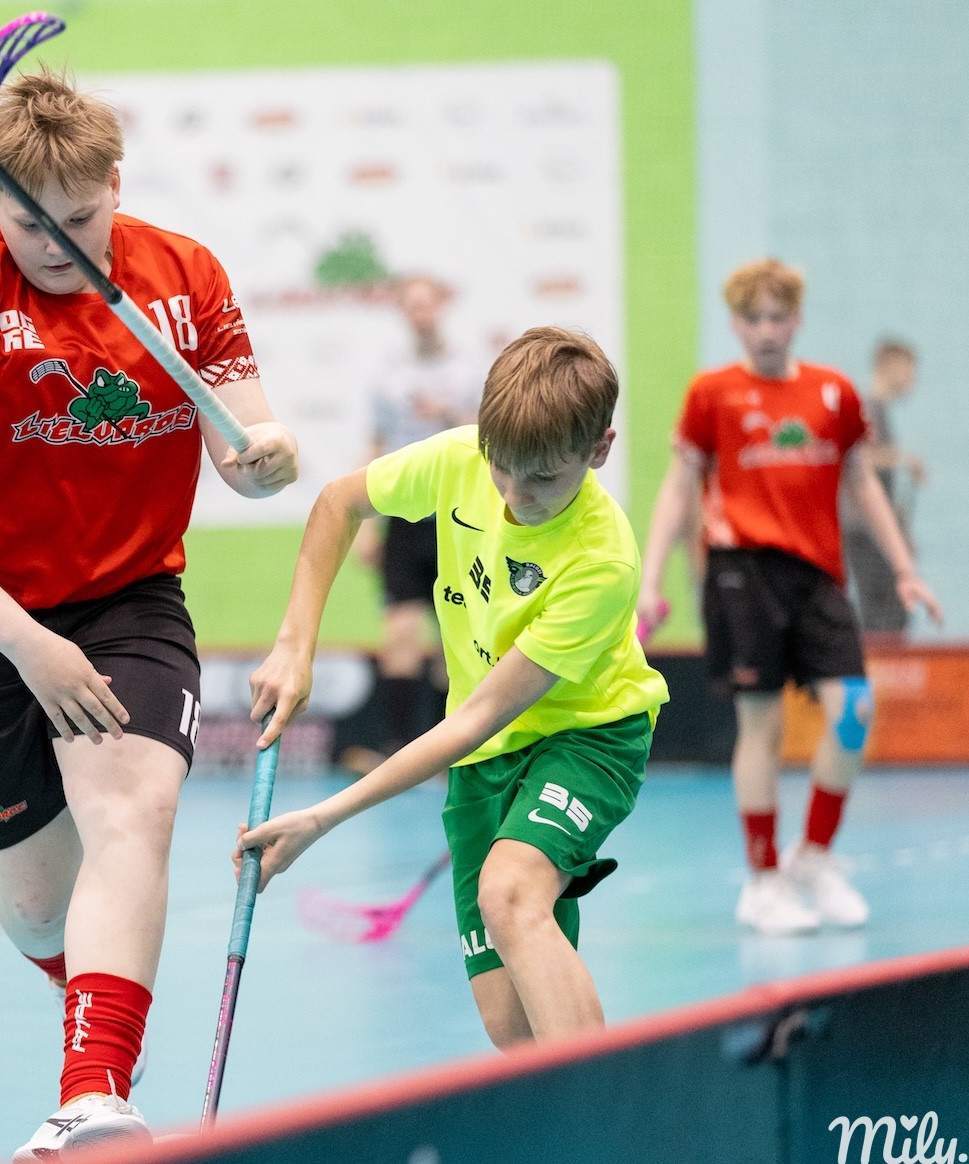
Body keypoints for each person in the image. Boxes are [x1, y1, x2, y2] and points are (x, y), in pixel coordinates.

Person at [0, 72, 298, 1164]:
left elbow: (245, 445)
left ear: (115, 182)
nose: (56, 244)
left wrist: (267, 458)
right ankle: (95, 1001)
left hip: (127, 599)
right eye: (28, 223)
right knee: (35, 906)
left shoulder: (185, 278)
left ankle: (93, 1091)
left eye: (80, 218)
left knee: (133, 812)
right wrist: (27, 644)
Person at [241, 327, 666, 1048]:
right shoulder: (460, 457)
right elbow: (338, 504)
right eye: (503, 469)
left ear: (599, 449)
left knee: (510, 893)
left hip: (586, 737)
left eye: (543, 478)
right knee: (509, 1027)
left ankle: (608, 1101)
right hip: (485, 754)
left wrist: (320, 818)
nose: (515, 497)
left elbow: (472, 720)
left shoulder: (602, 561)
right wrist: (294, 645)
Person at [638, 260, 942, 936]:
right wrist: (651, 578)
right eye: (754, 318)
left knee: (854, 710)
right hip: (741, 573)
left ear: (797, 320)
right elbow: (679, 488)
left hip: (817, 578)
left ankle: (815, 855)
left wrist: (903, 568)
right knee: (763, 729)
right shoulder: (711, 393)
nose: (767, 330)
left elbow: (862, 483)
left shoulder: (834, 393)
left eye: (778, 317)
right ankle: (762, 880)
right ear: (736, 324)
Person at [339, 274, 484, 775]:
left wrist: (447, 413)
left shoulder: (470, 370)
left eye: (428, 304)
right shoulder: (390, 377)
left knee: (453, 636)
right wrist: (365, 525)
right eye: (412, 306)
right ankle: (397, 749)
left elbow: (491, 436)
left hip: (457, 517)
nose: (421, 313)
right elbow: (377, 447)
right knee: (400, 630)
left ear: (441, 305)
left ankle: (452, 750)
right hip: (405, 519)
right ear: (403, 312)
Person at [842, 339, 924, 641]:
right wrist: (904, 460)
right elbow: (857, 457)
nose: (912, 380)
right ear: (890, 366)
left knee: (893, 609)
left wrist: (901, 533)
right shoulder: (867, 408)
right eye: (909, 371)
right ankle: (879, 665)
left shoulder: (880, 411)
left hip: (875, 529)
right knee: (881, 610)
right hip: (863, 529)